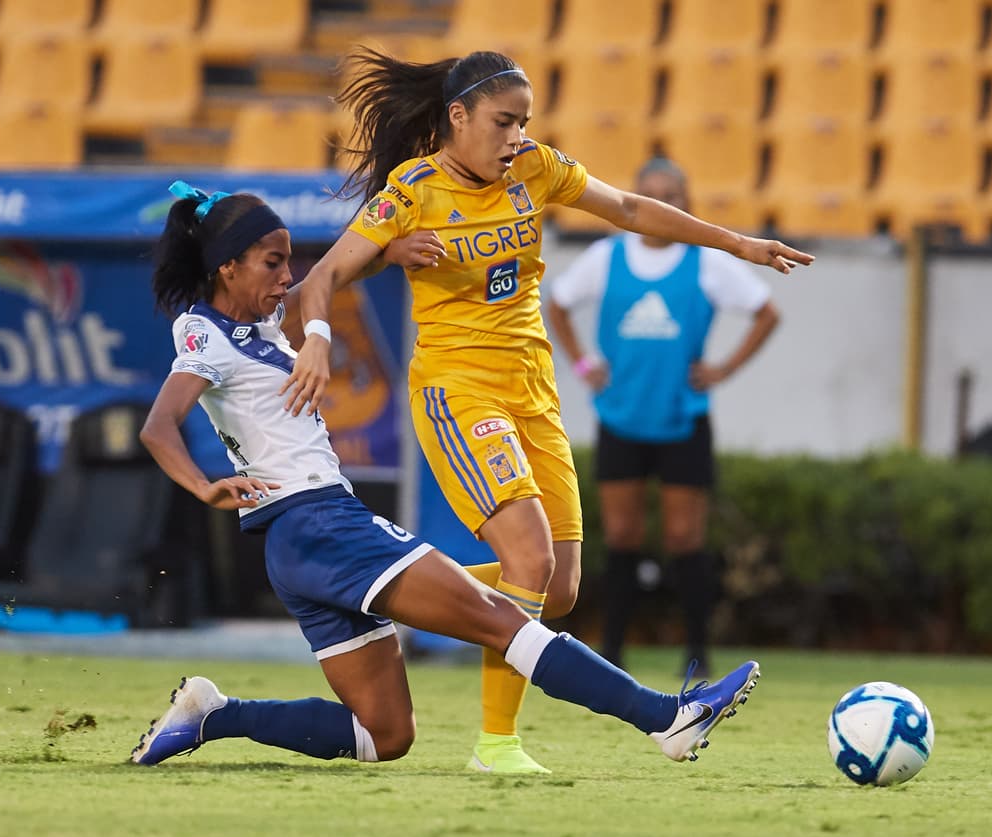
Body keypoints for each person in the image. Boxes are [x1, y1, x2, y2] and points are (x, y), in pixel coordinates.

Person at [277, 49, 813, 775]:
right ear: (458, 117)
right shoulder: (413, 189)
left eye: (524, 121)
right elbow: (326, 275)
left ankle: (381, 591)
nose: (516, 136)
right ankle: (496, 744)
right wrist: (321, 333)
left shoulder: (532, 167)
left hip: (534, 391)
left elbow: (626, 208)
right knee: (528, 559)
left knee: (557, 586)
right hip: (458, 391)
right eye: (503, 121)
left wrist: (736, 241)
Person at [129, 181, 761, 770]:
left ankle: (213, 716)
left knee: (384, 736)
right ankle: (668, 718)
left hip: (299, 544)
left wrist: (390, 250)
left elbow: (324, 284)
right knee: (503, 619)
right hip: (321, 523)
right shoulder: (205, 335)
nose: (287, 275)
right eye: (273, 262)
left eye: (287, 259)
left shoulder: (257, 325)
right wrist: (202, 485)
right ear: (227, 267)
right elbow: (159, 426)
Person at [545, 157, 782, 678]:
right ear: (638, 202)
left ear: (688, 203)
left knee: (684, 540)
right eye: (653, 195)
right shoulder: (606, 257)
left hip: (683, 420)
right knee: (623, 536)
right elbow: (556, 304)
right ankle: (612, 651)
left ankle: (697, 654)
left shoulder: (709, 262)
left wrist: (723, 369)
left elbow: (767, 311)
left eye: (674, 195)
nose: (665, 204)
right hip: (621, 417)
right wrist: (584, 364)